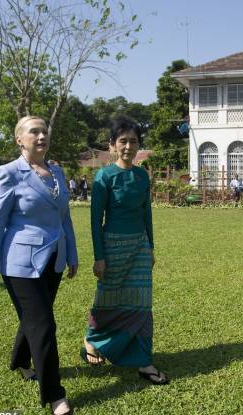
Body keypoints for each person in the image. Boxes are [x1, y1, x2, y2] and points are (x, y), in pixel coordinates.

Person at [0, 116, 78, 415]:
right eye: (33, 131)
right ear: (19, 140)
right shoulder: (9, 173)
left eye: (44, 130)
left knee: (35, 318)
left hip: (54, 260)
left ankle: (22, 360)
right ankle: (54, 394)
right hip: (20, 264)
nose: (41, 135)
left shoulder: (57, 172)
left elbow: (64, 217)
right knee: (44, 325)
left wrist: (72, 253)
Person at [82, 116, 169, 385]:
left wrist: (151, 247)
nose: (128, 146)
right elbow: (96, 220)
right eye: (123, 141)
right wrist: (99, 257)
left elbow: (147, 213)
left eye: (133, 141)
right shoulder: (103, 176)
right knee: (107, 299)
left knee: (141, 303)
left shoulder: (142, 175)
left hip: (140, 247)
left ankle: (144, 361)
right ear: (112, 146)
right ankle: (93, 340)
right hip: (113, 247)